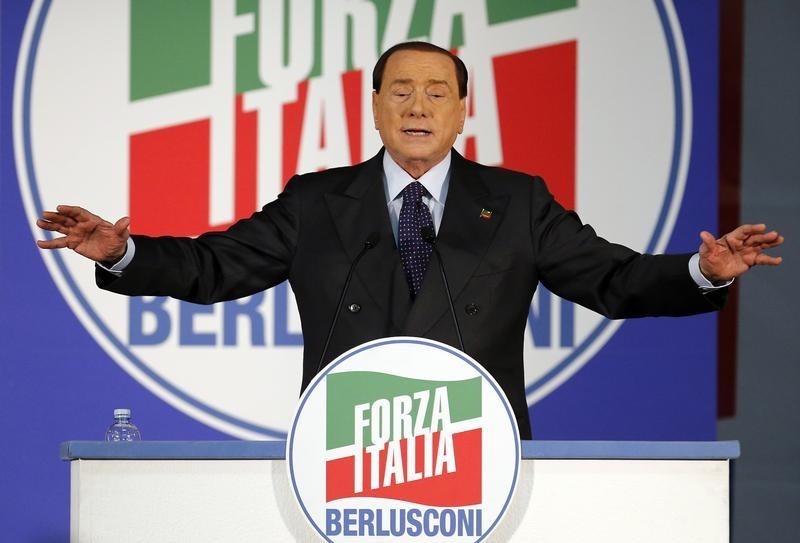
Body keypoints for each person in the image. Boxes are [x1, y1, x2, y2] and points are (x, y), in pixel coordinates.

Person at [36, 42, 783, 439]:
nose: (417, 106)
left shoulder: (517, 201)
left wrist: (702, 270)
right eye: (400, 91)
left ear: (465, 108)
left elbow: (610, 279)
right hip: (345, 447)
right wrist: (121, 252)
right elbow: (214, 266)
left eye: (435, 92)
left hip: (476, 445)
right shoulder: (316, 199)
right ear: (373, 107)